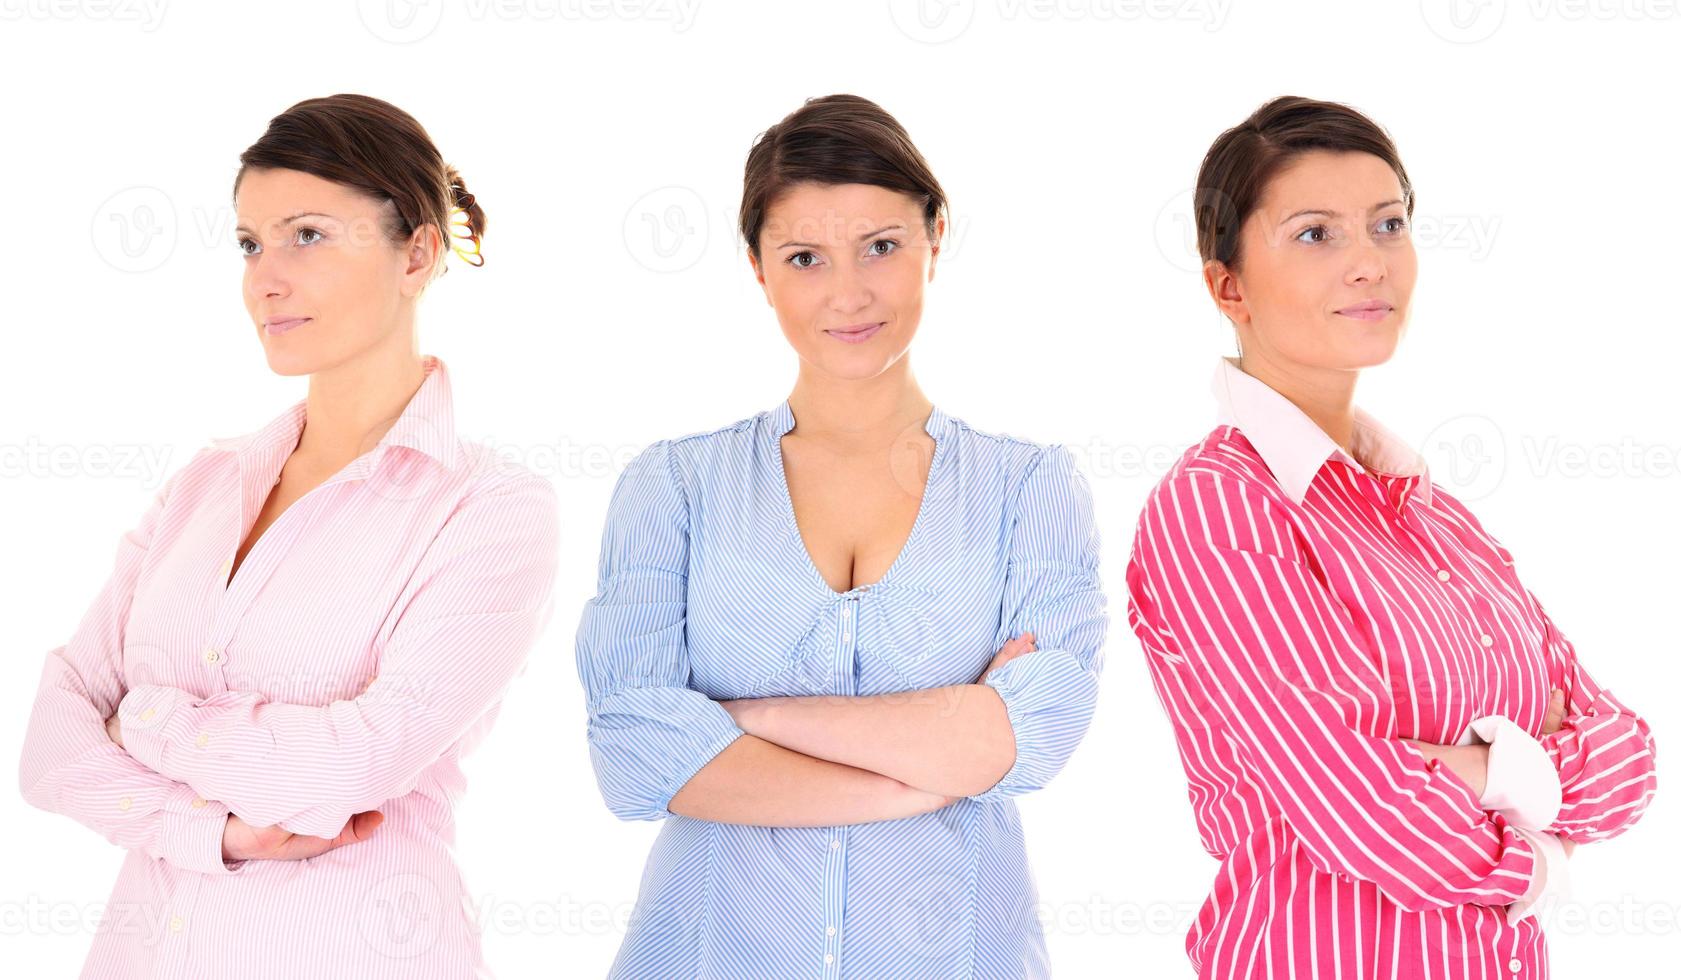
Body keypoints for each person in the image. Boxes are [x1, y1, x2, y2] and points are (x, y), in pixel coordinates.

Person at [19, 93, 558, 979]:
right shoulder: (203, 485)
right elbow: (49, 746)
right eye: (249, 242)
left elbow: (353, 770)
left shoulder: (491, 510)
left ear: (417, 252)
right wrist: (214, 832)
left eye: (306, 235)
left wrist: (143, 717)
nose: (263, 278)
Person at [1125, 95, 1657, 978]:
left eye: (1387, 225)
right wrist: (1543, 856)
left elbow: (1627, 757)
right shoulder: (1217, 510)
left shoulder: (1434, 514)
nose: (1369, 264)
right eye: (1314, 234)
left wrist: (1475, 771)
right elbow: (1370, 816)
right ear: (1228, 287)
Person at [576, 94, 1108, 978]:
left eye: (882, 247)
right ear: (756, 266)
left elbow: (1031, 735)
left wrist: (742, 721)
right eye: (804, 257)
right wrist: (931, 771)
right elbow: (635, 752)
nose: (848, 292)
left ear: (936, 235)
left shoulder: (1029, 488)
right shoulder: (673, 487)